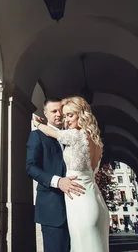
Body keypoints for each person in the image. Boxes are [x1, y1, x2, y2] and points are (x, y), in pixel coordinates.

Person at [33, 96, 110, 251]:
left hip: (80, 201)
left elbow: (49, 130)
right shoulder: (97, 141)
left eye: (70, 115)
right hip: (95, 200)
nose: (65, 120)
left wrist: (36, 123)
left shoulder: (75, 135)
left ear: (81, 114)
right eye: (65, 115)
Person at [26, 98, 85, 252]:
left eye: (61, 111)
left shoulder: (72, 134)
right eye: (53, 111)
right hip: (52, 209)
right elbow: (30, 167)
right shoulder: (37, 135)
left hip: (77, 207)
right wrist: (58, 182)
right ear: (45, 113)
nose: (58, 114)